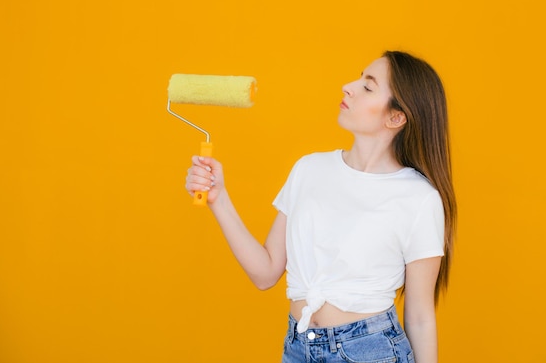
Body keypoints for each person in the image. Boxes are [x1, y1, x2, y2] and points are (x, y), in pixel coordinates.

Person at [185, 50, 456, 363]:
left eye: (368, 87)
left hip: (371, 352)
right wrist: (219, 198)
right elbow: (265, 273)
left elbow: (421, 318)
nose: (348, 87)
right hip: (299, 348)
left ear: (396, 117)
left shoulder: (418, 199)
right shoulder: (309, 169)